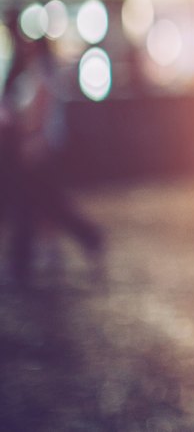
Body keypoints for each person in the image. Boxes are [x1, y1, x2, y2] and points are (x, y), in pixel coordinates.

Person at [1, 28, 106, 287]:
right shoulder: (41, 72)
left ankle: (87, 237)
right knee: (43, 204)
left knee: (43, 204)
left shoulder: (42, 75)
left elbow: (38, 112)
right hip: (37, 149)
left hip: (38, 150)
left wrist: (24, 131)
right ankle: (83, 239)